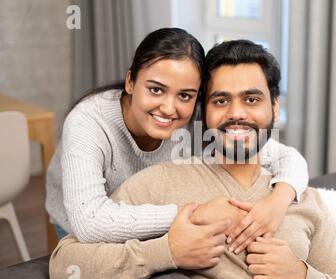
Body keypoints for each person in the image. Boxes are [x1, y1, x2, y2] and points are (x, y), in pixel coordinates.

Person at [49, 40, 336, 279]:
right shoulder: (156, 185)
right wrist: (168, 251)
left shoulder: (303, 198)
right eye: (221, 100)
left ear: (274, 108)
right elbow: (65, 263)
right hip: (84, 210)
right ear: (204, 113)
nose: (237, 113)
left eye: (252, 99)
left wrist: (302, 275)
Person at [45, 28, 309, 252]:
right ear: (130, 81)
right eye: (156, 90)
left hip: (153, 216)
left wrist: (277, 202)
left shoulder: (197, 118)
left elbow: (285, 156)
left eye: (185, 95)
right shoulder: (88, 121)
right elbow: (90, 223)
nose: (169, 109)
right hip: (80, 222)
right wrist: (196, 213)